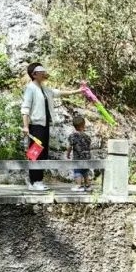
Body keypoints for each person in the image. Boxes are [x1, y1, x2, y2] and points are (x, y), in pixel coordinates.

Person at [20, 63, 78, 191]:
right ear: (34, 74)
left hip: (45, 125)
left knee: (43, 152)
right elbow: (25, 108)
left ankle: (38, 180)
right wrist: (25, 126)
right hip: (35, 126)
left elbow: (58, 93)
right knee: (35, 153)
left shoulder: (44, 88)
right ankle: (34, 181)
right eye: (41, 71)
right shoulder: (31, 88)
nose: (44, 73)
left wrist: (77, 91)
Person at [66, 114, 93, 192]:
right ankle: (88, 186)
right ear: (84, 125)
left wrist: (68, 154)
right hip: (87, 157)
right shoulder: (87, 136)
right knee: (85, 171)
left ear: (74, 126)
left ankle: (79, 185)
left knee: (78, 171)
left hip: (78, 157)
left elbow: (70, 146)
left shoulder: (72, 136)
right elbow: (89, 145)